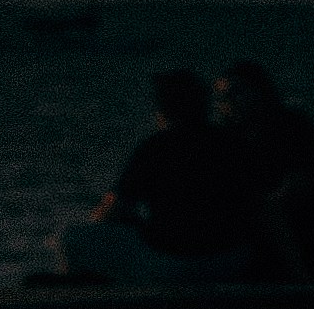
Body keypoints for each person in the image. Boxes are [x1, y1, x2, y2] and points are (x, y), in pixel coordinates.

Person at [51, 69, 256, 289]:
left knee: (71, 238)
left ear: (163, 110)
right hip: (230, 260)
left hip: (172, 262)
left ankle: (82, 298)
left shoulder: (157, 147)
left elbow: (112, 210)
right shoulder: (233, 144)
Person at [215, 59, 314, 283]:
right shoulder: (236, 137)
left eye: (237, 92)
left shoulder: (289, 128)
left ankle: (302, 283)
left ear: (259, 92)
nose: (228, 102)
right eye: (222, 97)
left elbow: (299, 185)